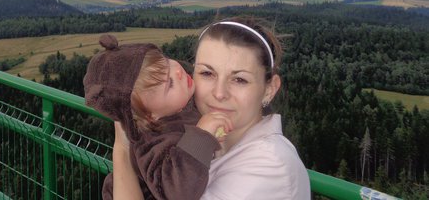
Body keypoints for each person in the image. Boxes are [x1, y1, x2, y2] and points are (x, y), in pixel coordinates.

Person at [110, 18, 311, 200]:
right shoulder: (186, 135)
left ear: (270, 89)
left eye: (240, 79)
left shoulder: (270, 167)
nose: (219, 93)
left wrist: (122, 150)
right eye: (207, 73)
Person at [83, 33, 232, 200]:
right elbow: (177, 191)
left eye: (166, 61)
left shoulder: (178, 101)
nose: (178, 72)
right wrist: (201, 137)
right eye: (170, 84)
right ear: (150, 116)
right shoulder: (153, 142)